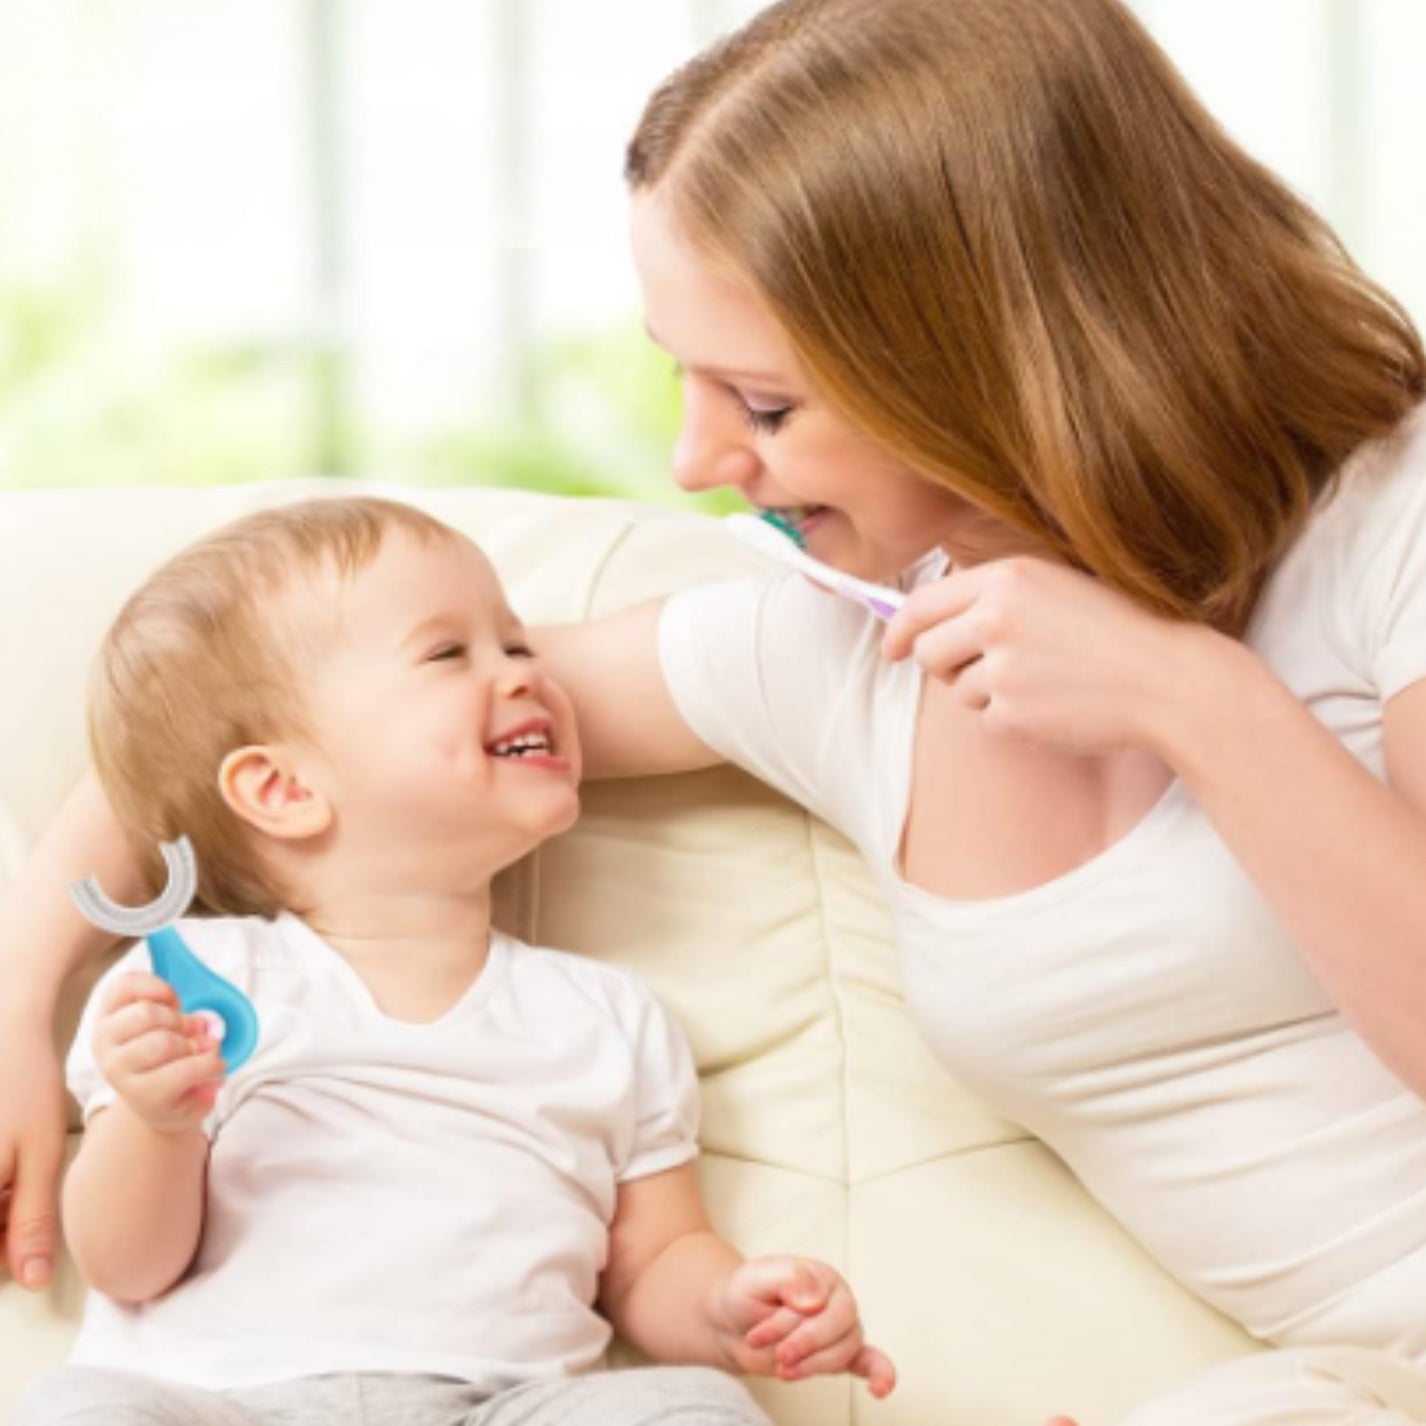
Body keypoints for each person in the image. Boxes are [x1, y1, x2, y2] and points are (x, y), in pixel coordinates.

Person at [3, 0, 1426, 1419]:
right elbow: (275, 726)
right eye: (682, 377)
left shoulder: (1391, 525)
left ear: (990, 355)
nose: (691, 460)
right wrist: (18, 992)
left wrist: (1199, 702)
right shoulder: (832, 657)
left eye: (762, 401)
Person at [10, 497, 895, 1426]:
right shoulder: (194, 984)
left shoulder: (610, 1018)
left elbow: (654, 1262)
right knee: (82, 1410)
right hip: (220, 1404)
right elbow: (125, 1265)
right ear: (281, 786)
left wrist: (729, 1307)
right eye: (449, 654)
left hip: (505, 1407)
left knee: (695, 1408)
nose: (524, 674)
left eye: (517, 643)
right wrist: (156, 1120)